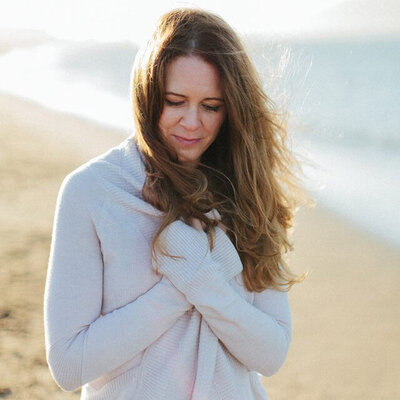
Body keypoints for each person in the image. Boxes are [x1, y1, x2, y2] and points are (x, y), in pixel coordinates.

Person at [44, 7, 305, 400]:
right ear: (147, 96)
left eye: (211, 106)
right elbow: (69, 364)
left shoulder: (248, 191)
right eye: (175, 101)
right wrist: (178, 289)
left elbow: (271, 354)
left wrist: (205, 286)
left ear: (231, 108)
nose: (192, 122)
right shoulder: (92, 192)